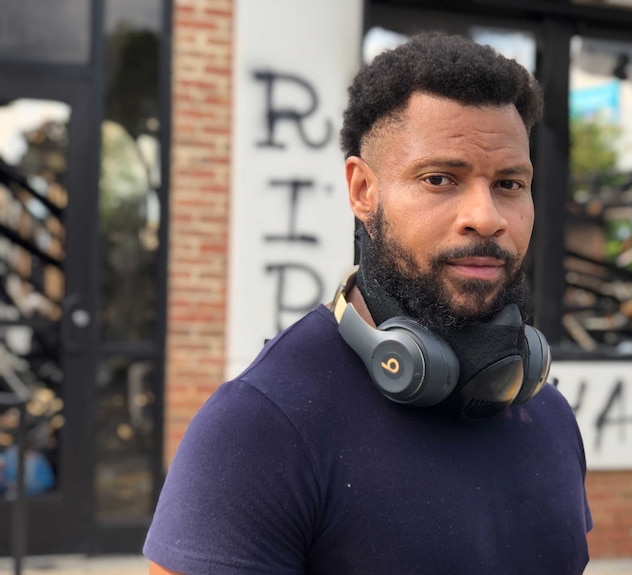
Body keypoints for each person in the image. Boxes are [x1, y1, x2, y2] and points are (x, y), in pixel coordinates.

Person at [144, 32, 592, 575]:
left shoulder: (548, 414)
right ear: (362, 190)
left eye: (509, 183)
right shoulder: (259, 428)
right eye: (440, 179)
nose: (487, 215)